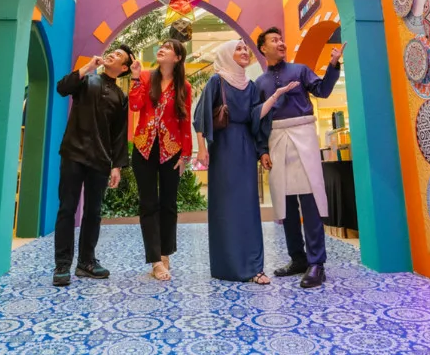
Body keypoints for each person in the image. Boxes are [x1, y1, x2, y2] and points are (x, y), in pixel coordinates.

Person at [194, 40, 291, 284]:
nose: (244, 51)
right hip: (223, 149)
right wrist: (201, 149)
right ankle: (226, 266)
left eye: (245, 48)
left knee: (248, 207)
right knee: (225, 207)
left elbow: (255, 117)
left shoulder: (251, 86)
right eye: (238, 49)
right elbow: (201, 115)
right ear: (227, 54)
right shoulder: (217, 80)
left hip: (246, 148)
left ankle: (254, 267)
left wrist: (274, 97)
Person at [255, 26, 343, 289]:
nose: (281, 43)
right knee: (285, 204)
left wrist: (333, 65)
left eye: (281, 39)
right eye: (274, 40)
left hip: (303, 136)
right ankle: (298, 258)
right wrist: (262, 150)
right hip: (276, 139)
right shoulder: (259, 83)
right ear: (263, 48)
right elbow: (259, 119)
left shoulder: (301, 70)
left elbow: (323, 91)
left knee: (310, 199)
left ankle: (317, 263)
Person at [52, 46, 134, 287]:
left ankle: (86, 262)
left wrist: (117, 166)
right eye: (113, 51)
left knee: (93, 212)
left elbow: (119, 134)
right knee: (67, 208)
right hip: (73, 153)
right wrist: (87, 67)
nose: (112, 54)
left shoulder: (120, 96)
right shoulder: (86, 80)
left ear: (124, 68)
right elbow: (62, 88)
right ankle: (62, 264)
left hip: (100, 159)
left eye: (119, 56)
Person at [129, 39, 193, 281]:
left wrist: (185, 155)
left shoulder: (184, 87)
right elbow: (135, 105)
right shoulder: (146, 77)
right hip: (144, 148)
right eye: (161, 46)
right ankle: (155, 260)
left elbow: (185, 121)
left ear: (177, 58)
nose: (162, 49)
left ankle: (165, 253)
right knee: (148, 204)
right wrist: (135, 78)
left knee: (168, 204)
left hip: (171, 150)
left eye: (168, 47)